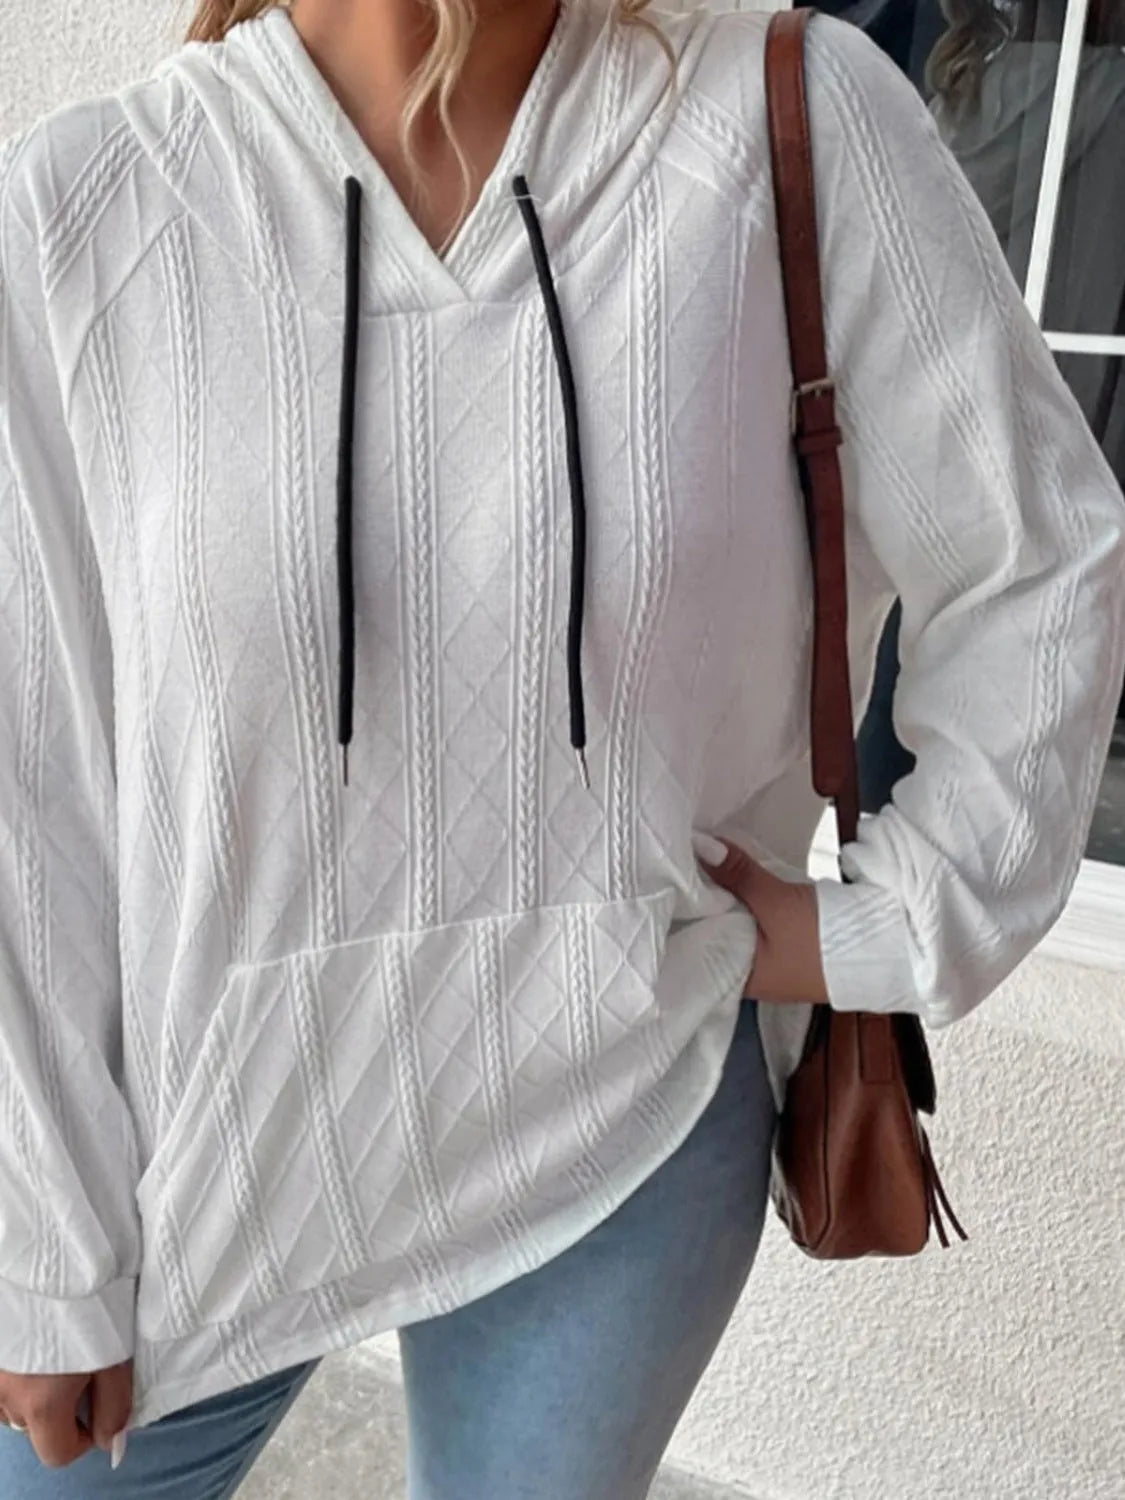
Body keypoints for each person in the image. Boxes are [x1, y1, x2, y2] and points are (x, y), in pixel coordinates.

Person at [1, 1, 1122, 1494]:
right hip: (204, 1146)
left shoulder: (785, 118)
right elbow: (31, 786)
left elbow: (1038, 556)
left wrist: (894, 922)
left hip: (620, 1113)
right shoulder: (87, 207)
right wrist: (41, 1241)